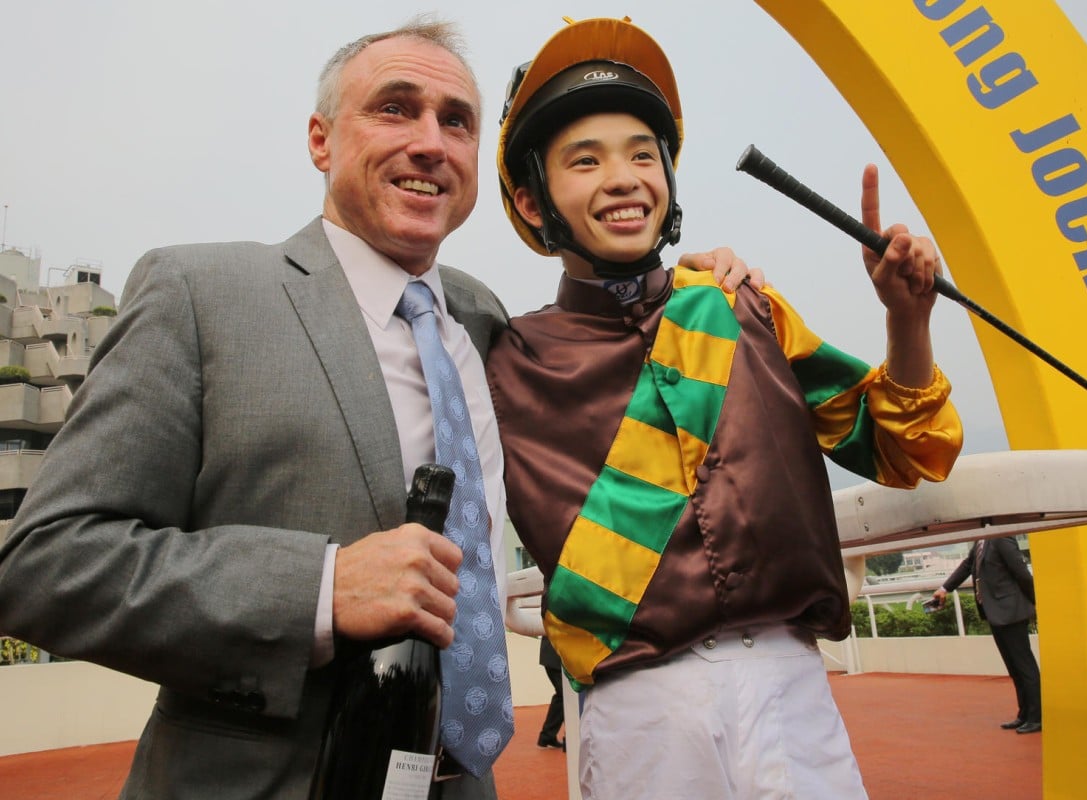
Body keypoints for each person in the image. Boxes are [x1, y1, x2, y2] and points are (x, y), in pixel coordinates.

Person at [0, 16, 757, 800]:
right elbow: (45, 563)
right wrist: (321, 589)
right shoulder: (197, 295)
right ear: (320, 140)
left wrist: (686, 282)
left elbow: (609, 352)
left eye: (456, 121)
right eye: (395, 108)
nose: (430, 141)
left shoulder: (485, 321)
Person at [486, 16, 965, 800]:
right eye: (586, 160)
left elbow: (906, 451)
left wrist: (906, 322)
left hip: (793, 687)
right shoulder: (503, 359)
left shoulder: (744, 307)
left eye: (645, 154)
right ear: (533, 202)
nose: (624, 177)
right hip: (638, 710)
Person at [933, 536, 1041, 734]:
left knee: (1024, 666)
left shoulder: (1001, 537)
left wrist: (1036, 603)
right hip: (996, 612)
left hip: (1011, 611)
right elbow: (968, 565)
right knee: (1014, 668)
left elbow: (1021, 573)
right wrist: (945, 588)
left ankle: (1036, 717)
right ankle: (1024, 714)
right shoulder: (982, 540)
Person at [536, 636, 566, 750]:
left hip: (552, 656)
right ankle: (549, 736)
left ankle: (547, 736)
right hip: (555, 657)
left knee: (562, 696)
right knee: (565, 697)